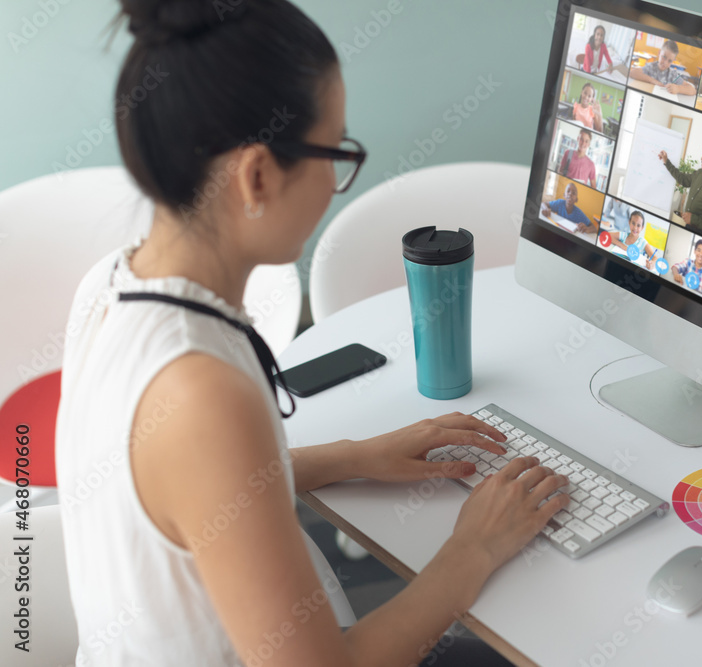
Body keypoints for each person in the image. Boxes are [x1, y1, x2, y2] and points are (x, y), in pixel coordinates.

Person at [56, 2, 570, 666]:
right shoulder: (202, 392)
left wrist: (357, 454)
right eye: (335, 152)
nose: (335, 182)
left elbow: (196, 490)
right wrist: (476, 547)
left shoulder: (108, 285)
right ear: (258, 174)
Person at [627, 41, 696, 95]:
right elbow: (632, 73)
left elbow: (693, 90)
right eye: (664, 57)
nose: (665, 63)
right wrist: (652, 80)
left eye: (669, 61)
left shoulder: (672, 75)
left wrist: (678, 88)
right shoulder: (651, 67)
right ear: (659, 53)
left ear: (673, 61)